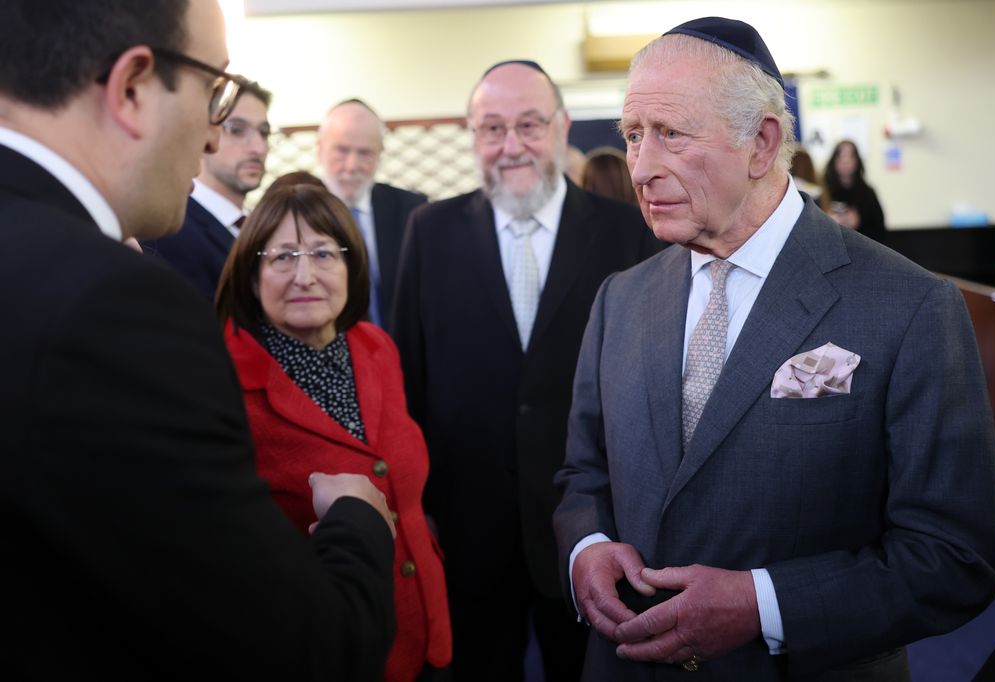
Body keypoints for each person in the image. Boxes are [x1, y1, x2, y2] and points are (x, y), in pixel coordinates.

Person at [553, 16, 995, 680]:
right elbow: (582, 474)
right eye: (633, 135)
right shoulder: (620, 298)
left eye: (672, 134)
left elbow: (957, 555)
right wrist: (586, 547)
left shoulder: (908, 306)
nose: (642, 167)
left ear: (762, 142)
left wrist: (765, 604)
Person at [1, 1, 397, 679]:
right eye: (213, 91)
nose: (214, 140)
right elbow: (303, 650)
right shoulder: (117, 307)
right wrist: (359, 521)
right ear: (132, 88)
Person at [391, 59, 662, 682]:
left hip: (595, 531)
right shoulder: (429, 232)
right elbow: (410, 376)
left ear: (561, 126)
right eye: (491, 128)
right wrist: (419, 506)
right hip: (467, 529)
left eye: (529, 125)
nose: (510, 145)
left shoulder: (626, 232)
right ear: (472, 136)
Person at [215, 184, 452, 682]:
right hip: (326, 647)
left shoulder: (375, 346)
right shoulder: (221, 380)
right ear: (251, 275)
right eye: (282, 256)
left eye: (324, 252)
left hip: (425, 630)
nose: (305, 275)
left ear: (352, 265)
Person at [144, 80, 273, 300]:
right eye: (237, 130)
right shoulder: (170, 231)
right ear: (203, 131)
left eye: (264, 132)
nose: (258, 148)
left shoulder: (261, 225)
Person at [318, 98, 426, 332]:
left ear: (380, 154)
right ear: (320, 149)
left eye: (365, 153)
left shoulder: (413, 212)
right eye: (342, 150)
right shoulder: (299, 214)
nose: (352, 165)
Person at [823, 139, 887, 243]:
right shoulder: (823, 191)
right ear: (833, 160)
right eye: (840, 155)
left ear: (857, 161)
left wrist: (859, 221)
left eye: (850, 156)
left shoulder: (868, 193)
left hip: (861, 249)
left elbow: (880, 231)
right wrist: (828, 221)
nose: (845, 160)